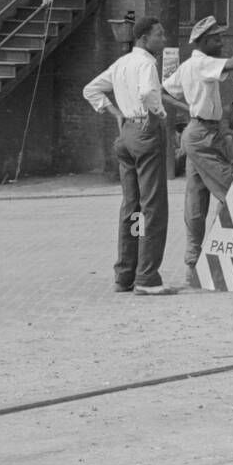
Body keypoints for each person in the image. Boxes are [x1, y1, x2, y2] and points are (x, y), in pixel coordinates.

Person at [163, 3, 233, 288]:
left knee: (196, 203)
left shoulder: (189, 66)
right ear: (201, 42)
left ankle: (193, 265)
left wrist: (189, 108)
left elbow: (163, 91)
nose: (220, 42)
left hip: (201, 132)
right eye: (215, 39)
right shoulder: (201, 62)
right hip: (203, 136)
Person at [83, 17, 177, 296]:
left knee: (131, 205)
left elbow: (91, 89)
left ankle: (124, 275)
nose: (164, 39)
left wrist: (116, 114)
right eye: (159, 35)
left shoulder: (121, 63)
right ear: (144, 38)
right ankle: (147, 278)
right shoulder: (146, 63)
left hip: (126, 136)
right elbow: (148, 92)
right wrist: (159, 114)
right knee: (153, 206)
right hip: (146, 131)